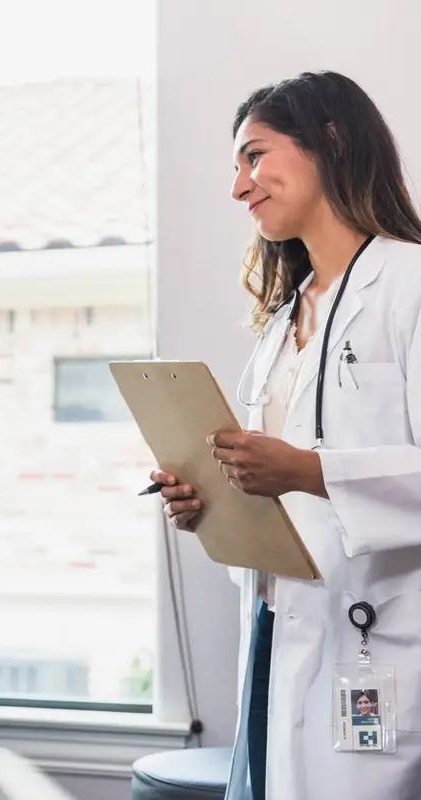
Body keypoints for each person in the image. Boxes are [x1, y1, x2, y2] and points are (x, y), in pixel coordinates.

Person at [153, 71, 421, 800]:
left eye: (254, 155)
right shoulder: (282, 322)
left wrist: (305, 470)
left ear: (330, 141)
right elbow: (277, 490)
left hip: (378, 637)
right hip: (279, 630)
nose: (239, 187)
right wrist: (209, 496)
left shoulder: (410, 285)